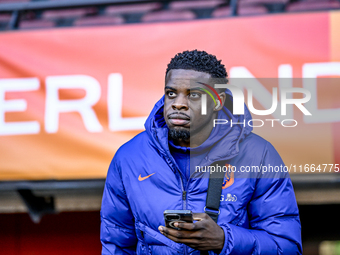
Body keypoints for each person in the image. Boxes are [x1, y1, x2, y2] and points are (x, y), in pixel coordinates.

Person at [100, 50, 302, 254]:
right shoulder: (128, 157)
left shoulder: (259, 155)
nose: (178, 103)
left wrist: (224, 240)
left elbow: (286, 247)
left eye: (193, 95)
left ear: (218, 102)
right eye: (171, 93)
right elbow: (115, 246)